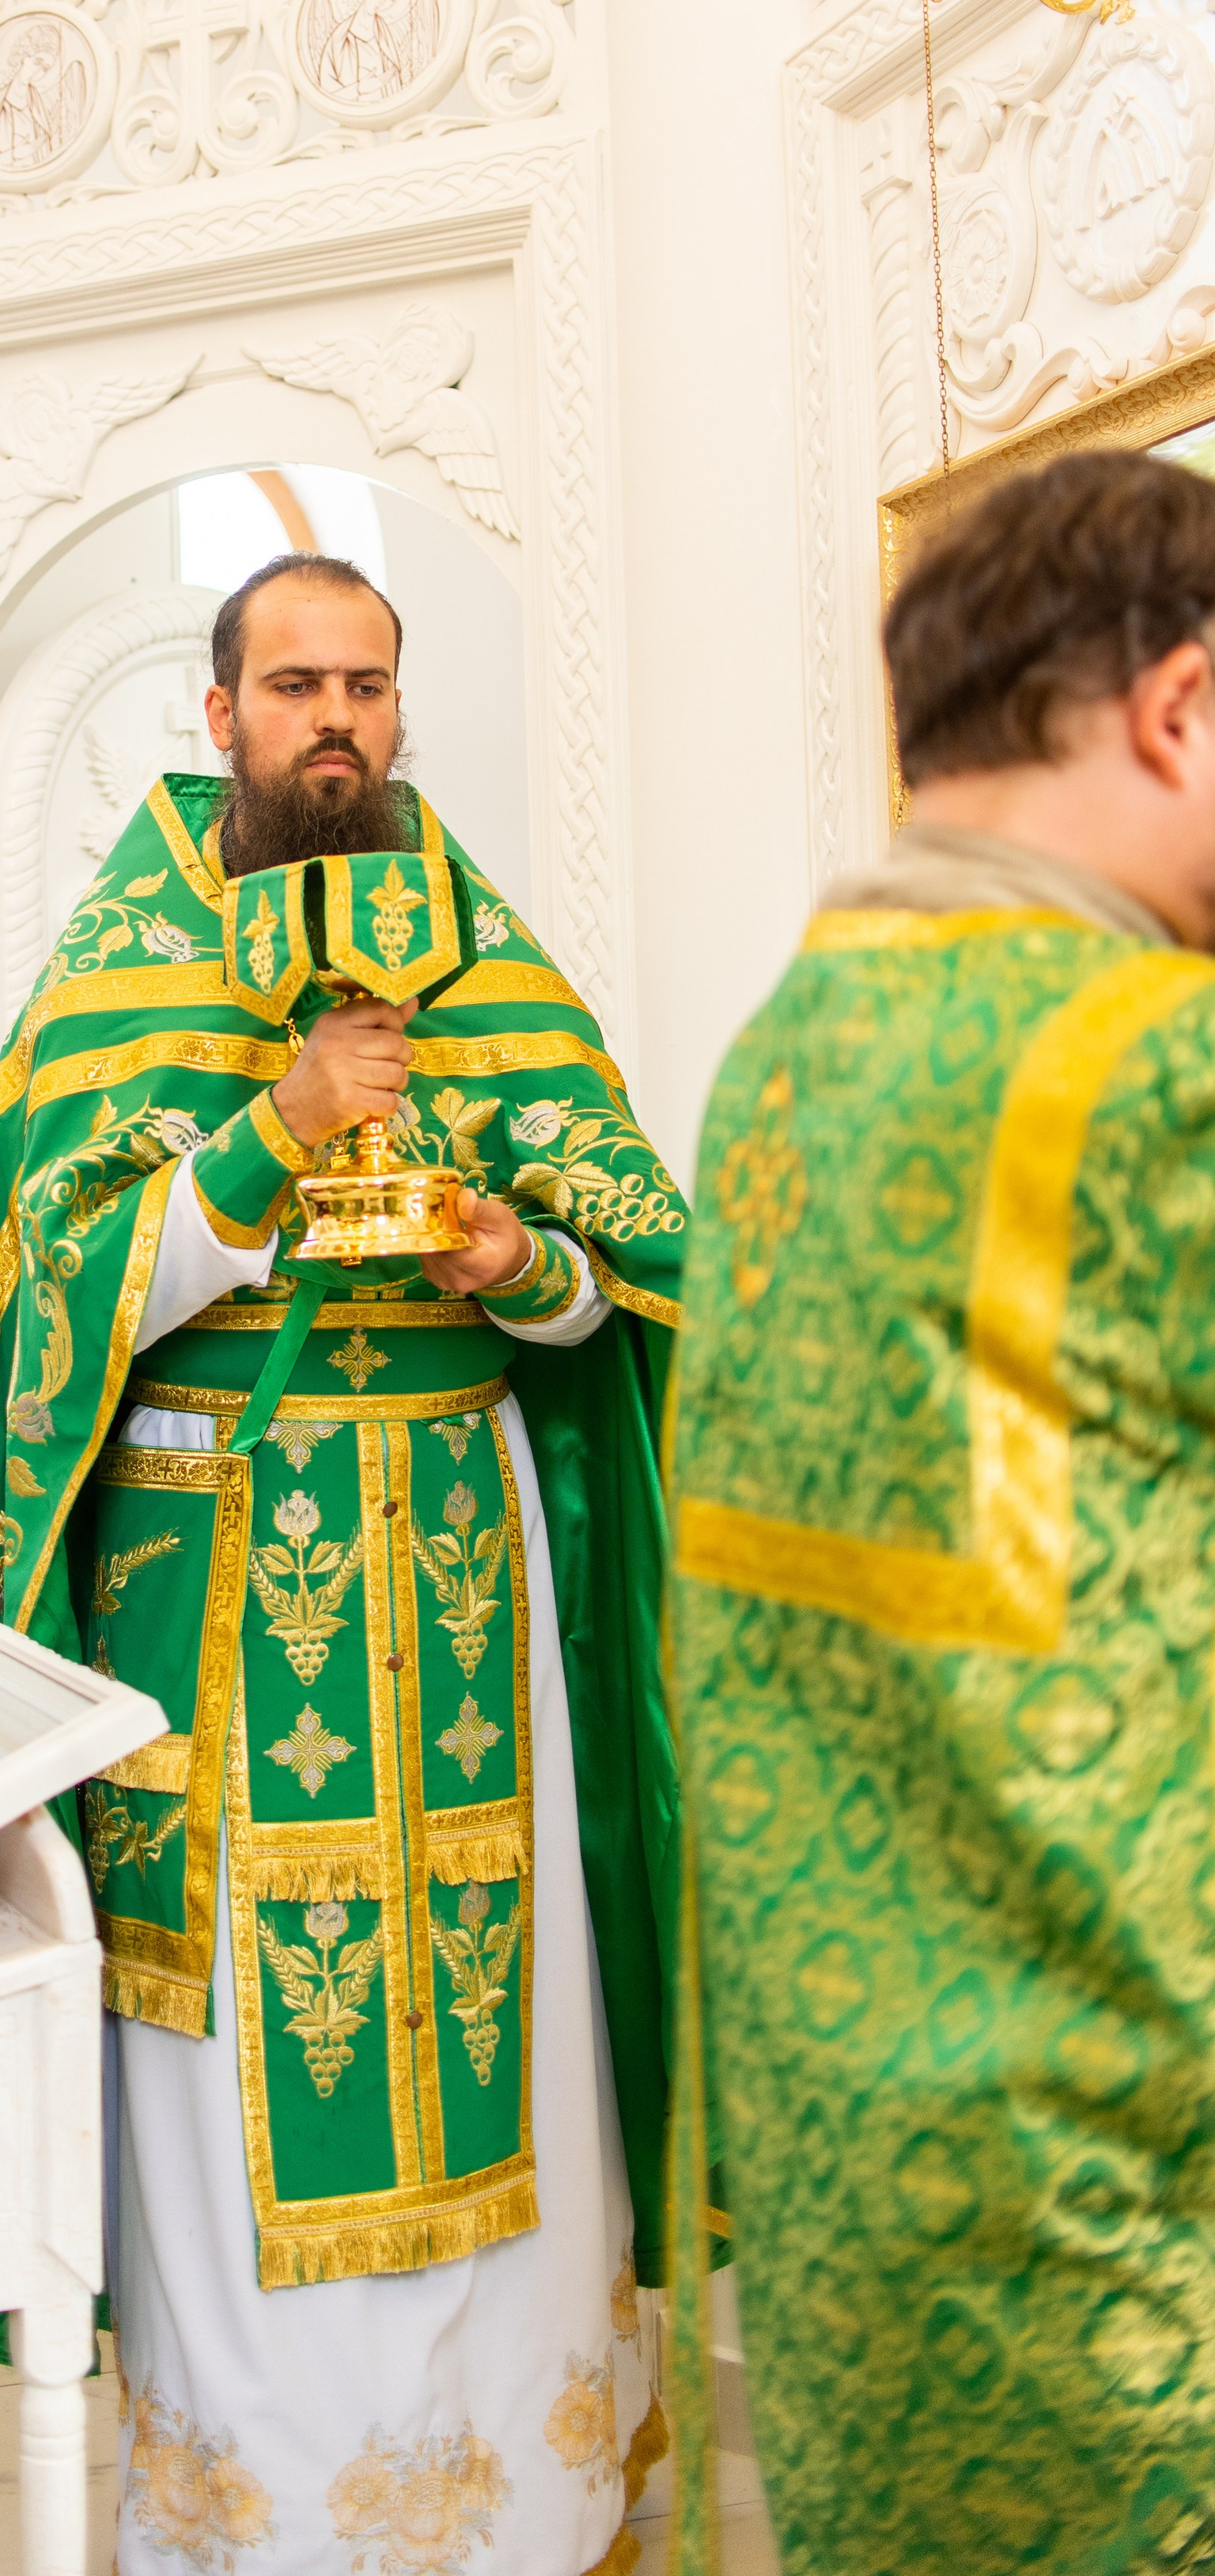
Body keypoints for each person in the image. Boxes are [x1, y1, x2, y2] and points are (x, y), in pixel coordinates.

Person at [0, 551, 685, 2574]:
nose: (333, 718)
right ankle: (260, 2527)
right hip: (213, 1587)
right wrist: (268, 1131)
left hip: (460, 1579)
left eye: (363, 683)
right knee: (233, 2065)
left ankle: (515, 2512)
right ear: (220, 717)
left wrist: (517, 1263)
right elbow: (44, 1302)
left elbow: (625, 1263)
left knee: (506, 2017)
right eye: (293, 684)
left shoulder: (481, 952)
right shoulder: (121, 963)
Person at [665, 451, 1215, 2576]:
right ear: (1175, 708)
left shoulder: (783, 1045)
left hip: (855, 2180)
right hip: (1134, 2183)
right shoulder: (1148, 1060)